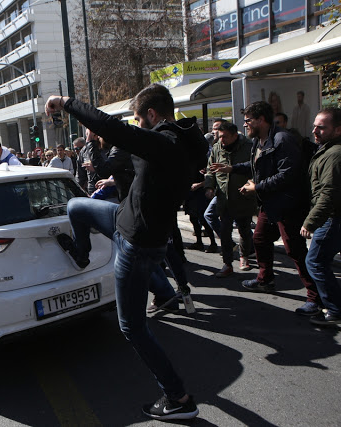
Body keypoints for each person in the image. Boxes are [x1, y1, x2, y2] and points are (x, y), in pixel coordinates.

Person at [45, 84, 200, 420]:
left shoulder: (162, 142)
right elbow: (154, 180)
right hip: (126, 219)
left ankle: (177, 398)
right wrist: (116, 186)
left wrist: (66, 103)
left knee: (131, 326)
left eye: (138, 119)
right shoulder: (180, 139)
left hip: (139, 241)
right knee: (77, 206)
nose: (136, 124)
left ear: (152, 115)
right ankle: (83, 254)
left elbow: (110, 127)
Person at [211, 101, 321, 315]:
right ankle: (265, 279)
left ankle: (315, 298)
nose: (245, 126)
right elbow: (255, 166)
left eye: (248, 121)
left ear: (261, 120)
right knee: (260, 240)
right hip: (269, 203)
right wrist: (232, 168)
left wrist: (257, 187)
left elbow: (287, 175)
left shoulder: (282, 140)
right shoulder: (259, 141)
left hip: (287, 205)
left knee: (295, 251)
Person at [301, 108, 341, 325]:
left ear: (338, 130)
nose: (315, 130)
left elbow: (328, 193)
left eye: (321, 127)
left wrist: (311, 221)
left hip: (332, 218)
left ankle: (335, 310)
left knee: (315, 261)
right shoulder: (328, 150)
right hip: (330, 216)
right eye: (315, 126)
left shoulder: (334, 155)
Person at [204, 122, 257, 277]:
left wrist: (251, 184)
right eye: (219, 137)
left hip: (243, 196)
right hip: (224, 199)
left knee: (244, 230)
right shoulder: (217, 148)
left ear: (235, 135)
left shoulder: (249, 146)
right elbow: (210, 170)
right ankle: (227, 264)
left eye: (225, 137)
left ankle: (244, 257)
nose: (222, 140)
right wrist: (209, 187)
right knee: (225, 232)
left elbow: (255, 168)